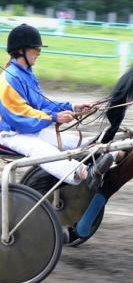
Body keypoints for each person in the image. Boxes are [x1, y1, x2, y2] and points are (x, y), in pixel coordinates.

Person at [0, 23, 115, 189]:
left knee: (77, 142)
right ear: (20, 51)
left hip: (30, 131)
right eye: (36, 50)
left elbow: (42, 103)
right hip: (9, 135)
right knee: (45, 152)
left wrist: (73, 107)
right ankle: (84, 172)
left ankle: (115, 153)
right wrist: (54, 117)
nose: (39, 54)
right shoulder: (8, 79)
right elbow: (21, 115)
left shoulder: (26, 74)